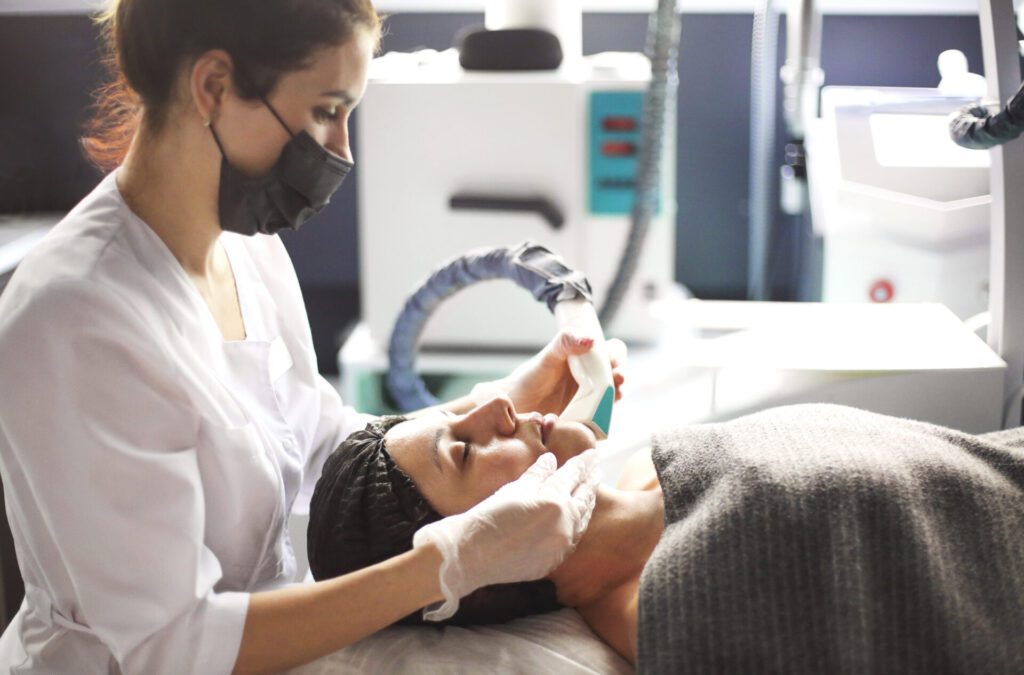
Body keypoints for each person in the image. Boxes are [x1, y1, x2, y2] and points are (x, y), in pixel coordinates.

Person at [0, 1, 624, 673]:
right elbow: (172, 644)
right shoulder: (77, 317)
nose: (342, 150)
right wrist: (446, 563)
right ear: (213, 86)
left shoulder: (244, 248)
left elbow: (320, 442)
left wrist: (496, 402)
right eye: (326, 110)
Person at [309, 399, 1024, 673]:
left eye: (458, 410)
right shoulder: (668, 614)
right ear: (480, 552)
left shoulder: (660, 464)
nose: (497, 404)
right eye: (462, 450)